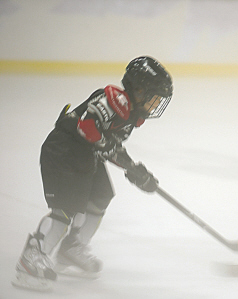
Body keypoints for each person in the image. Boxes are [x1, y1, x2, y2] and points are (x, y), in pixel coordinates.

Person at [12, 56, 173, 291]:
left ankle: (71, 249)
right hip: (64, 151)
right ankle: (31, 259)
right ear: (138, 89)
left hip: (85, 156)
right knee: (66, 209)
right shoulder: (114, 98)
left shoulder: (130, 117)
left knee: (101, 195)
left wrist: (135, 170)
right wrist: (110, 150)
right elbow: (87, 126)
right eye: (153, 98)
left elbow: (110, 145)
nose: (155, 104)